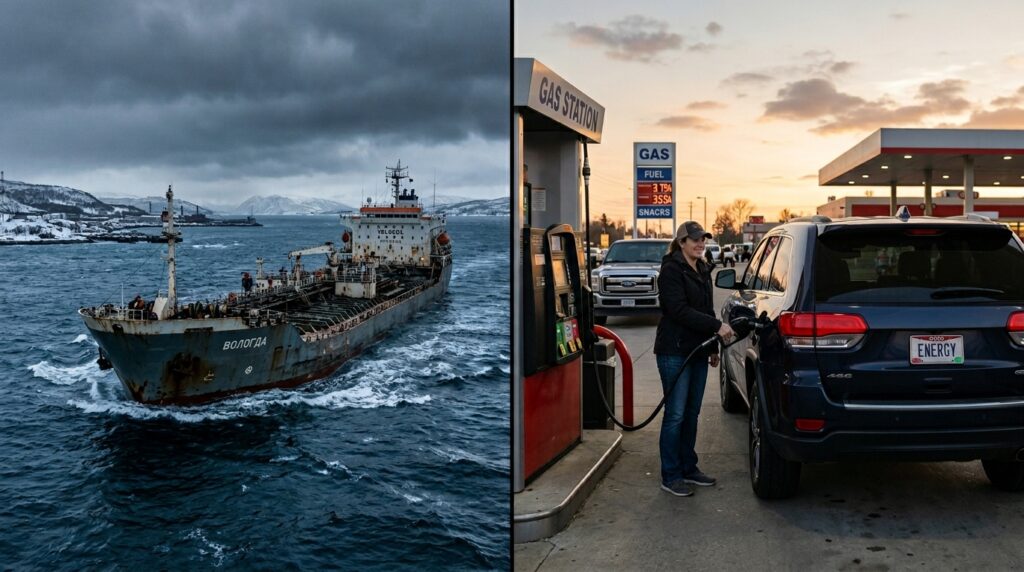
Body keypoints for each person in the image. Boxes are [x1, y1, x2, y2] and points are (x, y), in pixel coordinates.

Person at [654, 221, 735, 497]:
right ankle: (671, 474)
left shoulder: (702, 268)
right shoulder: (670, 271)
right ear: (681, 242)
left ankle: (689, 467)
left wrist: (712, 347)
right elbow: (678, 310)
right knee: (675, 415)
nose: (701, 243)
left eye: (703, 239)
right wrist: (716, 327)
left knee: (692, 413)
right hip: (674, 350)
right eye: (695, 240)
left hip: (698, 349)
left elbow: (705, 308)